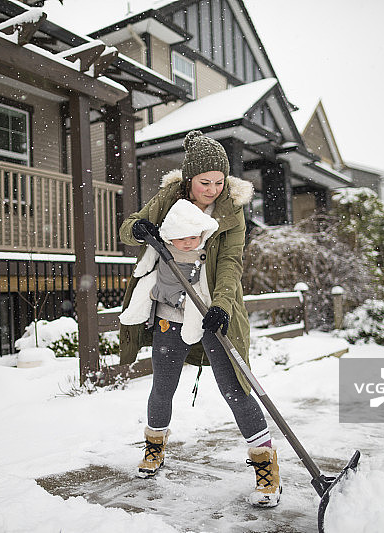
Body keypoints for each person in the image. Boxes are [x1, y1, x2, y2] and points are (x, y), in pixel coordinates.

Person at [118, 130, 282, 507]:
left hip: (211, 312)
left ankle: (265, 466)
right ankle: (154, 448)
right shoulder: (168, 198)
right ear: (189, 179)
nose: (212, 189)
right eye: (204, 182)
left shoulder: (231, 210)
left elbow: (230, 262)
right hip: (168, 312)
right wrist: (140, 229)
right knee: (163, 385)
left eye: (219, 182)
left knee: (235, 389)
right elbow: (129, 229)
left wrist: (222, 305)